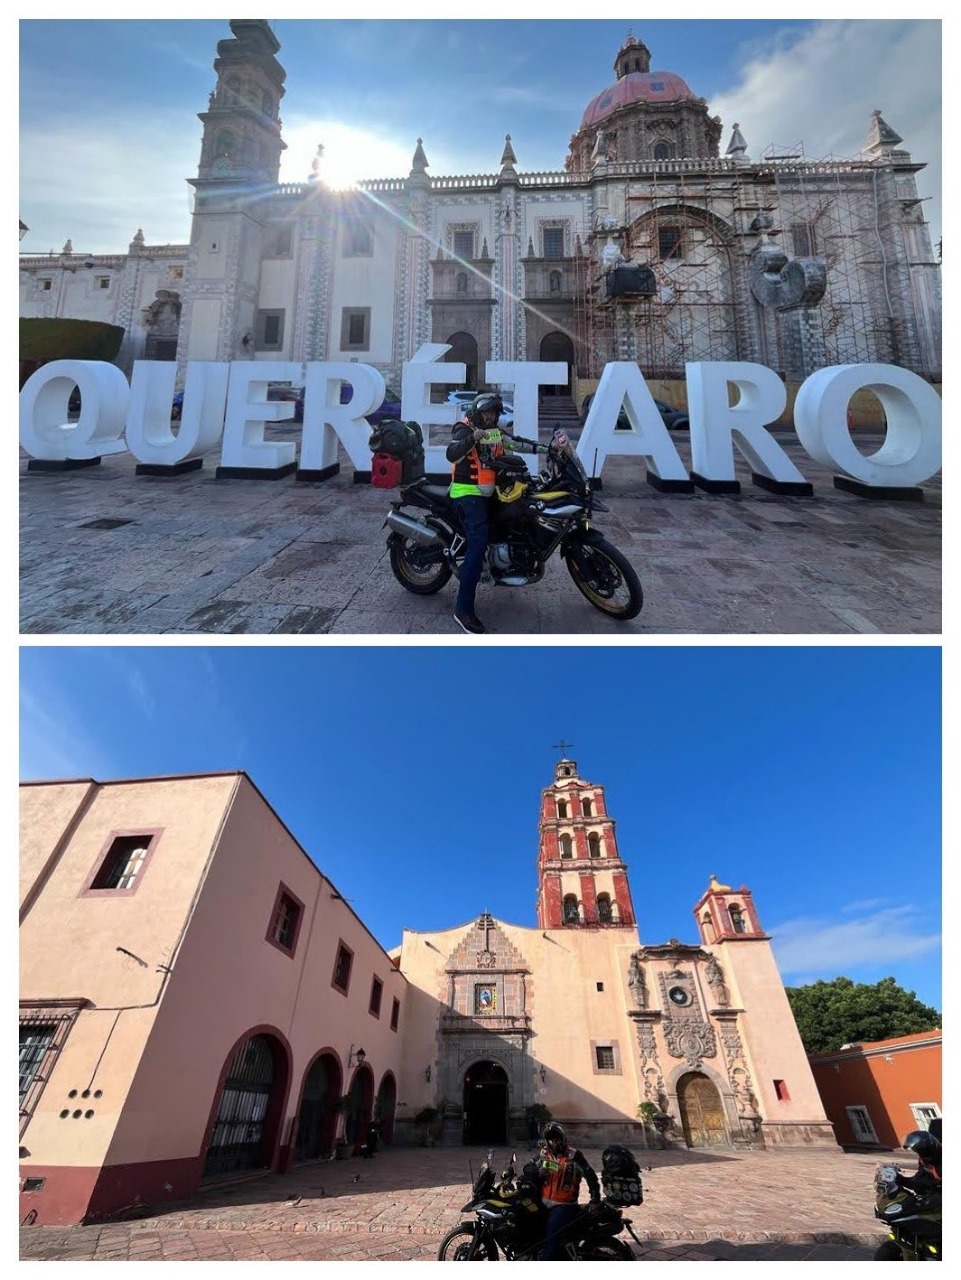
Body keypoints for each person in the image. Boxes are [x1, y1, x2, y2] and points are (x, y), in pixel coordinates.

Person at [445, 392, 568, 635]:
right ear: (478, 412)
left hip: (489, 493)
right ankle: (463, 610)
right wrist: (472, 437)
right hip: (467, 494)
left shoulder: (494, 432)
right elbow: (452, 453)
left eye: (495, 413)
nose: (491, 417)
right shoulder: (464, 428)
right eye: (488, 412)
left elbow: (516, 443)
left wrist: (548, 448)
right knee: (477, 545)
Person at [535, 1121, 601, 1259]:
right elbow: (529, 1167)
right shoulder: (545, 1154)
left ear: (562, 1138)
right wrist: (538, 1171)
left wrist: (595, 1199)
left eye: (556, 1138)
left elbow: (591, 1176)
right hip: (544, 1203)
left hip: (564, 1205)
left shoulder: (574, 1156)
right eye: (551, 1139)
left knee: (550, 1239)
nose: (554, 1142)